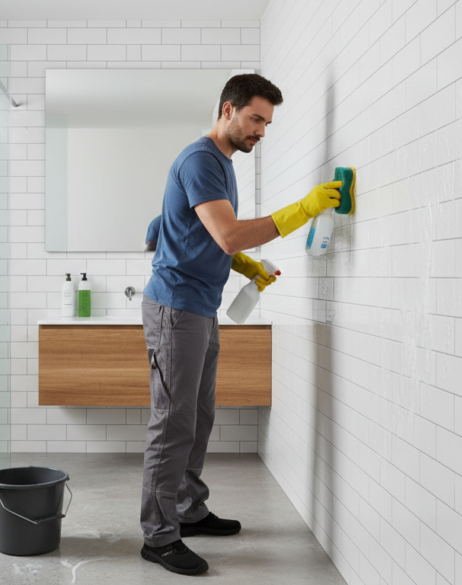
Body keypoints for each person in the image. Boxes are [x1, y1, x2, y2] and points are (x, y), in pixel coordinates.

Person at [139, 73, 344, 575]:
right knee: (173, 423)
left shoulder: (223, 164)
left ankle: (187, 510)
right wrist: (303, 210)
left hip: (200, 307)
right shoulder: (200, 160)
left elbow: (185, 232)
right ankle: (159, 536)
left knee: (199, 416)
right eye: (255, 119)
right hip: (176, 309)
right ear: (227, 110)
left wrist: (240, 265)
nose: (262, 132)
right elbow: (227, 234)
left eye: (267, 123)